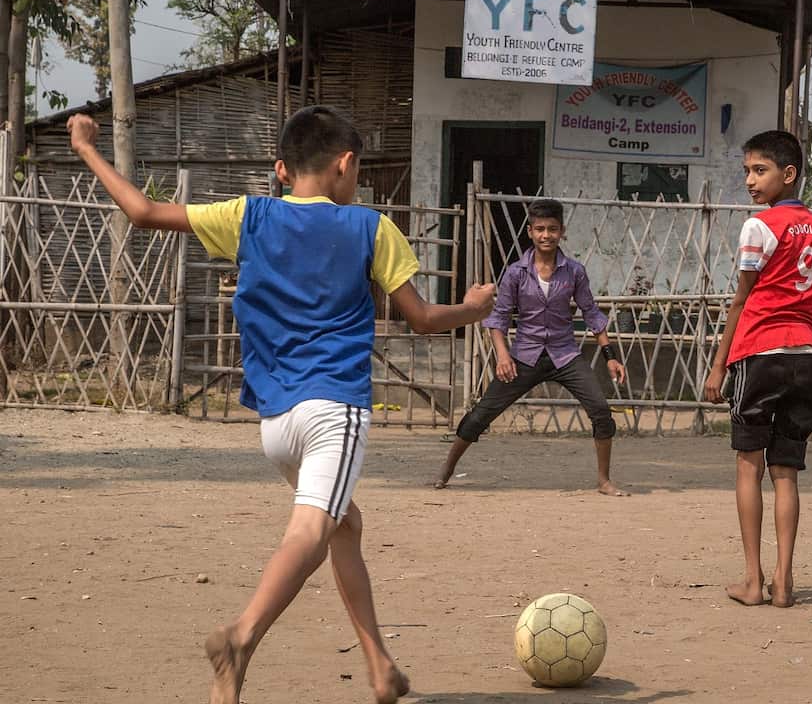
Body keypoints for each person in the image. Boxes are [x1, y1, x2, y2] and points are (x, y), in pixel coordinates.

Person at [66, 106, 496, 704]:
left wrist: (87, 147)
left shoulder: (248, 214)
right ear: (345, 165)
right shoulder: (370, 227)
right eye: (358, 170)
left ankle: (380, 667)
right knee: (313, 529)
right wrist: (474, 309)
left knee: (346, 525)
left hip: (275, 421)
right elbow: (421, 319)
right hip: (334, 411)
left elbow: (141, 212)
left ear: (281, 169)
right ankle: (241, 638)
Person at [703, 130, 812, 609]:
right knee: (787, 472)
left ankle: (754, 581)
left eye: (760, 171)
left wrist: (719, 365)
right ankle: (785, 581)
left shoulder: (759, 226)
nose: (751, 181)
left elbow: (742, 300)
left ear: (788, 174)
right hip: (805, 357)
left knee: (747, 465)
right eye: (747, 172)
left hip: (760, 353)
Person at [434, 198, 629, 496]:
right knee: (482, 413)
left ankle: (604, 480)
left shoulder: (574, 271)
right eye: (540, 229)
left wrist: (609, 357)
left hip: (565, 355)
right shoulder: (515, 273)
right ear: (530, 231)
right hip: (524, 355)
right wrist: (502, 355)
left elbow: (592, 313)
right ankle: (446, 471)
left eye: (552, 229)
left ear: (562, 231)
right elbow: (497, 319)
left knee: (601, 409)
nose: (546, 235)